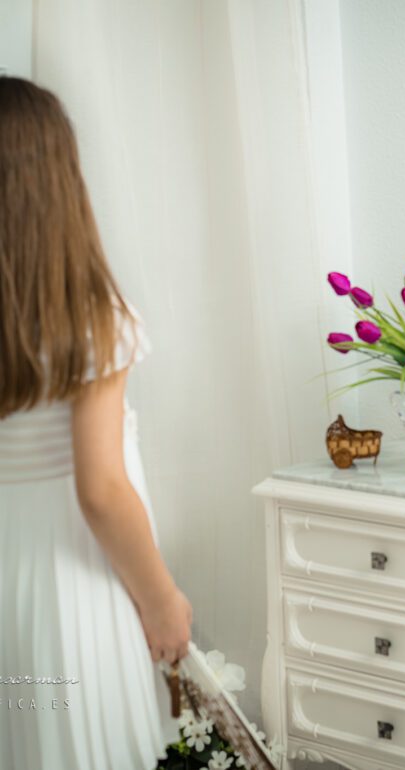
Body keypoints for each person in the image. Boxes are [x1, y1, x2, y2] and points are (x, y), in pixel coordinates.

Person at [0, 77, 192, 768]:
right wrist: (162, 598)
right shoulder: (91, 321)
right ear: (55, 181)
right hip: (69, 596)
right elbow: (101, 490)